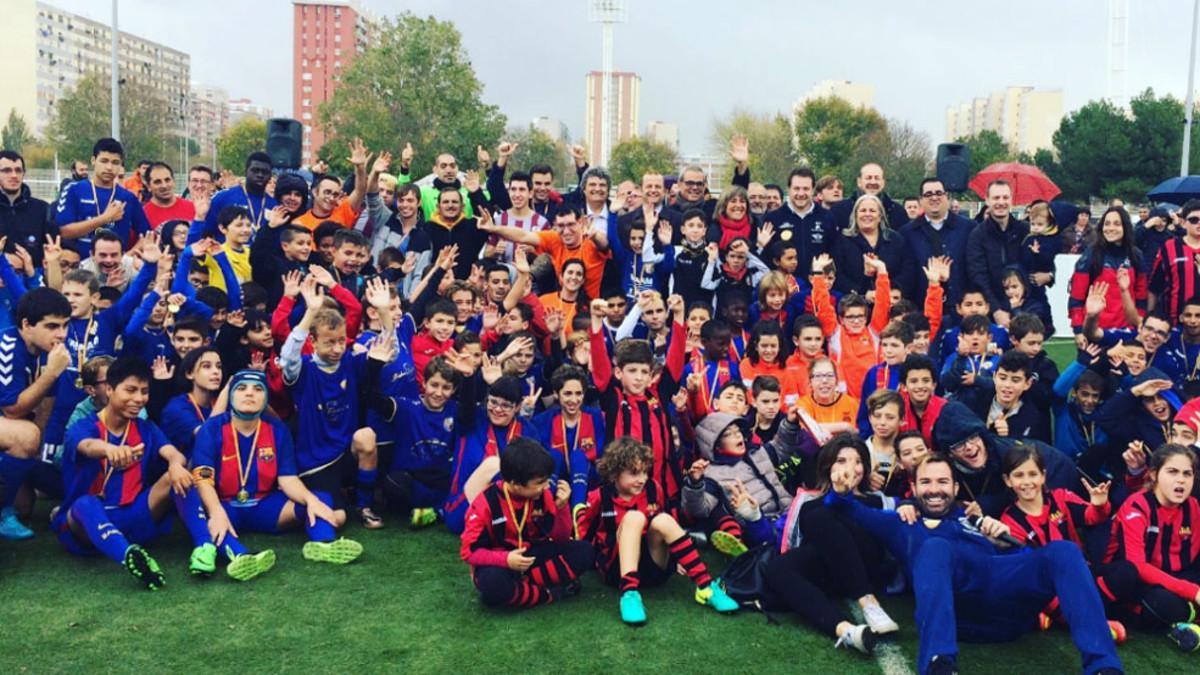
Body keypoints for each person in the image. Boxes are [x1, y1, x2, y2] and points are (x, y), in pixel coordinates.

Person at [827, 454, 1123, 675]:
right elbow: (844, 508)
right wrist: (839, 491)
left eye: (942, 482)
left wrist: (1003, 542)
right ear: (914, 489)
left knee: (1063, 551)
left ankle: (1103, 667)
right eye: (926, 482)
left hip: (1010, 611)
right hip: (964, 613)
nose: (934, 489)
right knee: (935, 547)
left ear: (955, 488)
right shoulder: (902, 523)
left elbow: (1021, 563)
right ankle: (939, 664)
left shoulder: (974, 519)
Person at [190, 368, 361, 580]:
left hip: (265, 506)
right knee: (205, 517)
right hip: (225, 505)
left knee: (320, 498)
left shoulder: (277, 430)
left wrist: (310, 500)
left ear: (265, 398)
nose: (250, 393)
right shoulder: (212, 429)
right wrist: (216, 511)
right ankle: (241, 558)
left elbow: (287, 479)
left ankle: (324, 544)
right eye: (242, 388)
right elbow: (203, 480)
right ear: (231, 394)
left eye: (258, 389)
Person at [56, 357, 197, 589]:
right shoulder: (83, 426)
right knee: (84, 504)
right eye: (130, 390)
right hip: (89, 527)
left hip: (133, 515)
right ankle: (129, 555)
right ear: (109, 390)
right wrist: (109, 449)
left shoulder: (145, 427)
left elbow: (174, 453)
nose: (139, 399)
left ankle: (207, 547)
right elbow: (87, 446)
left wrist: (174, 464)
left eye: (144, 391)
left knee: (179, 475)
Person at [578, 437, 739, 625]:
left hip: (654, 569)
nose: (642, 479)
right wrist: (590, 561)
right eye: (634, 473)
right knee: (634, 517)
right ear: (614, 474)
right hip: (617, 571)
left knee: (662, 519)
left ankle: (705, 587)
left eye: (645, 472)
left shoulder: (654, 489)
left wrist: (678, 558)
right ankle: (629, 594)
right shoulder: (600, 496)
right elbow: (585, 532)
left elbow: (666, 528)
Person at [765, 435, 901, 655]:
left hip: (866, 565)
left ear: (866, 468)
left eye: (858, 462)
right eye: (842, 460)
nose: (851, 468)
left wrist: (907, 507)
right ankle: (846, 630)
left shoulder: (878, 500)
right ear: (828, 465)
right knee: (777, 568)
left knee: (820, 517)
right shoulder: (809, 502)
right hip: (828, 570)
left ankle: (869, 602)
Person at [459, 437, 596, 609]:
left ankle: (519, 590)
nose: (546, 486)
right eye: (540, 483)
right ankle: (548, 594)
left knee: (585, 551)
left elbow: (560, 537)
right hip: (500, 562)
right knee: (492, 583)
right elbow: (468, 552)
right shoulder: (484, 504)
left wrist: (561, 508)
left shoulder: (543, 495)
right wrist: (506, 559)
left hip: (532, 557)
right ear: (515, 484)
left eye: (547, 480)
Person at [1102, 444, 1200, 652]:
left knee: (1173, 601)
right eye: (1172, 472)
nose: (1181, 480)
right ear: (1154, 474)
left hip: (1173, 577)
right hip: (1136, 581)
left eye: (1187, 473)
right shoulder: (1137, 506)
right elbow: (1138, 565)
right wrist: (1193, 592)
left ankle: (1186, 621)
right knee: (1164, 604)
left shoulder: (1193, 507)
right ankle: (1183, 618)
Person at [56, 138, 151, 258]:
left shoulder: (128, 197)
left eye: (115, 163)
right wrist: (104, 219)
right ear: (93, 160)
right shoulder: (74, 190)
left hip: (116, 270)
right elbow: (63, 232)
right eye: (104, 161)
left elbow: (148, 235)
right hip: (79, 269)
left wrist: (126, 258)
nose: (109, 167)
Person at [900, 178, 975, 312]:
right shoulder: (907, 233)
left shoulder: (969, 228)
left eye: (939, 193)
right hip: (922, 309)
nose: (934, 198)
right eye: (928, 194)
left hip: (960, 308)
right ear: (921, 200)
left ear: (947, 197)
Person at [1069, 206, 1148, 331]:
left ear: (1125, 227)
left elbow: (1142, 297)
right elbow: (1076, 296)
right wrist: (1078, 329)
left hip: (1128, 332)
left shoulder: (1136, 255)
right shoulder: (1091, 254)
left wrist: (1140, 322)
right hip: (1095, 332)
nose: (1111, 228)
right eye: (1107, 224)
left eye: (1117, 224)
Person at [966, 180, 1029, 328]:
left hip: (1024, 308)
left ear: (1011, 200)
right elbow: (977, 274)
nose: (1001, 202)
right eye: (996, 198)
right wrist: (996, 309)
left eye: (1005, 197)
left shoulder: (1025, 231)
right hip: (991, 313)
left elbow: (1037, 264)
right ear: (987, 200)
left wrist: (1050, 274)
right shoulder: (978, 234)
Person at [761, 167, 832, 277]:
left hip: (819, 284)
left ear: (813, 190)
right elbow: (768, 256)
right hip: (784, 287)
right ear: (789, 189)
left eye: (806, 189)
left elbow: (835, 254)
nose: (801, 193)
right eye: (796, 188)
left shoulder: (827, 216)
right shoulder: (773, 218)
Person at [0, 150, 58, 270]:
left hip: (33, 281)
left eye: (18, 170)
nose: (14, 175)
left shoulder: (42, 209)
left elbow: (51, 251)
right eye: (6, 170)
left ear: (24, 174)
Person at [1149, 199, 1200, 323]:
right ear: (1183, 222)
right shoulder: (1169, 247)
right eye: (1194, 220)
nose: (1199, 223)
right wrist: (1149, 317)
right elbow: (1154, 287)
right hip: (1175, 322)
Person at [142, 162, 195, 229]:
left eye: (167, 180)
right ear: (148, 186)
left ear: (173, 181)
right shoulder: (143, 216)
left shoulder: (193, 208)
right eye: (158, 182)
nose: (164, 186)